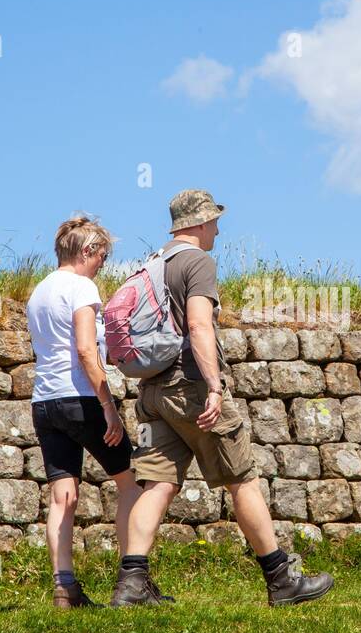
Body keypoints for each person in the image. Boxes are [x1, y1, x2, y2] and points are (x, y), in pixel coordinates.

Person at [113, 189, 334, 607]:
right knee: (242, 479)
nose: (217, 227)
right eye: (213, 220)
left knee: (156, 485)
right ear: (197, 222)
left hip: (154, 392)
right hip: (192, 386)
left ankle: (131, 585)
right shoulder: (198, 261)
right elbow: (199, 326)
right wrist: (214, 387)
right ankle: (281, 579)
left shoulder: (152, 264)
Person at [26, 216, 146, 609]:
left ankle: (65, 588)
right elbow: (84, 349)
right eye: (103, 257)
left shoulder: (39, 291)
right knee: (133, 483)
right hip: (80, 399)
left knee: (63, 497)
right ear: (87, 251)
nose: (103, 265)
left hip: (44, 402)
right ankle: (132, 580)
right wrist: (109, 406)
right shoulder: (81, 287)